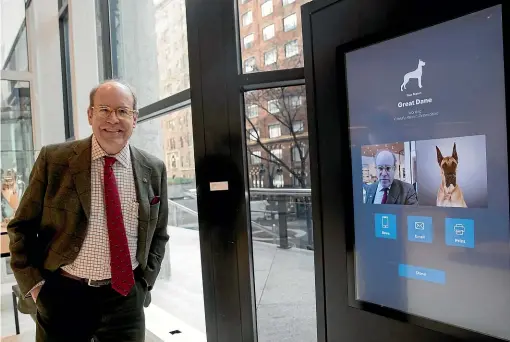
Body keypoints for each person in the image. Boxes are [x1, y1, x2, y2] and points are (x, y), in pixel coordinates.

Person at [7, 80, 169, 342]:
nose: (113, 119)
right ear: (90, 114)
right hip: (63, 295)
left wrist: (145, 282)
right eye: (104, 109)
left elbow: (159, 234)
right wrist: (36, 288)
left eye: (122, 111)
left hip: (125, 298)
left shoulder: (153, 169)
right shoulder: (55, 160)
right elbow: (21, 227)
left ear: (135, 118)